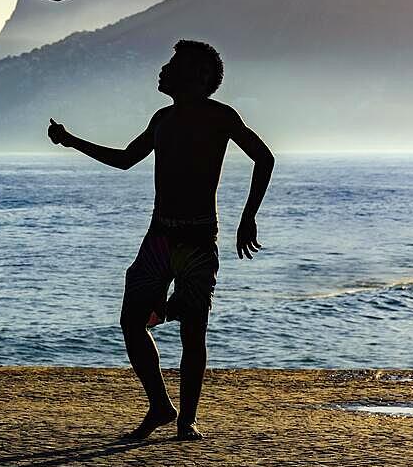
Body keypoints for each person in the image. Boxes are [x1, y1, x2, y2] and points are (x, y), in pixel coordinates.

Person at [47, 40, 274, 441]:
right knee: (132, 323)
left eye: (174, 63)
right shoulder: (162, 119)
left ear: (199, 76)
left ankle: (187, 418)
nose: (164, 69)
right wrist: (71, 141)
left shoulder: (221, 117)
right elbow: (124, 159)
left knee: (194, 332)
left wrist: (248, 217)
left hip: (198, 241)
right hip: (159, 238)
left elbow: (264, 157)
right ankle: (161, 406)